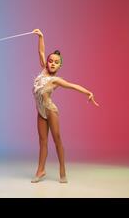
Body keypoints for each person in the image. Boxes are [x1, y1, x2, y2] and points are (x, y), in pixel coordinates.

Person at [30, 29, 99, 183]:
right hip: (40, 111)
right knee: (42, 141)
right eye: (50, 61)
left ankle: (62, 169)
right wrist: (41, 36)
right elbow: (41, 51)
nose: (52, 63)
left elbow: (73, 86)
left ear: (60, 66)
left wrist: (88, 92)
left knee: (57, 140)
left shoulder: (57, 80)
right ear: (47, 62)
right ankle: (41, 170)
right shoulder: (43, 71)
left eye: (56, 62)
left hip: (50, 110)